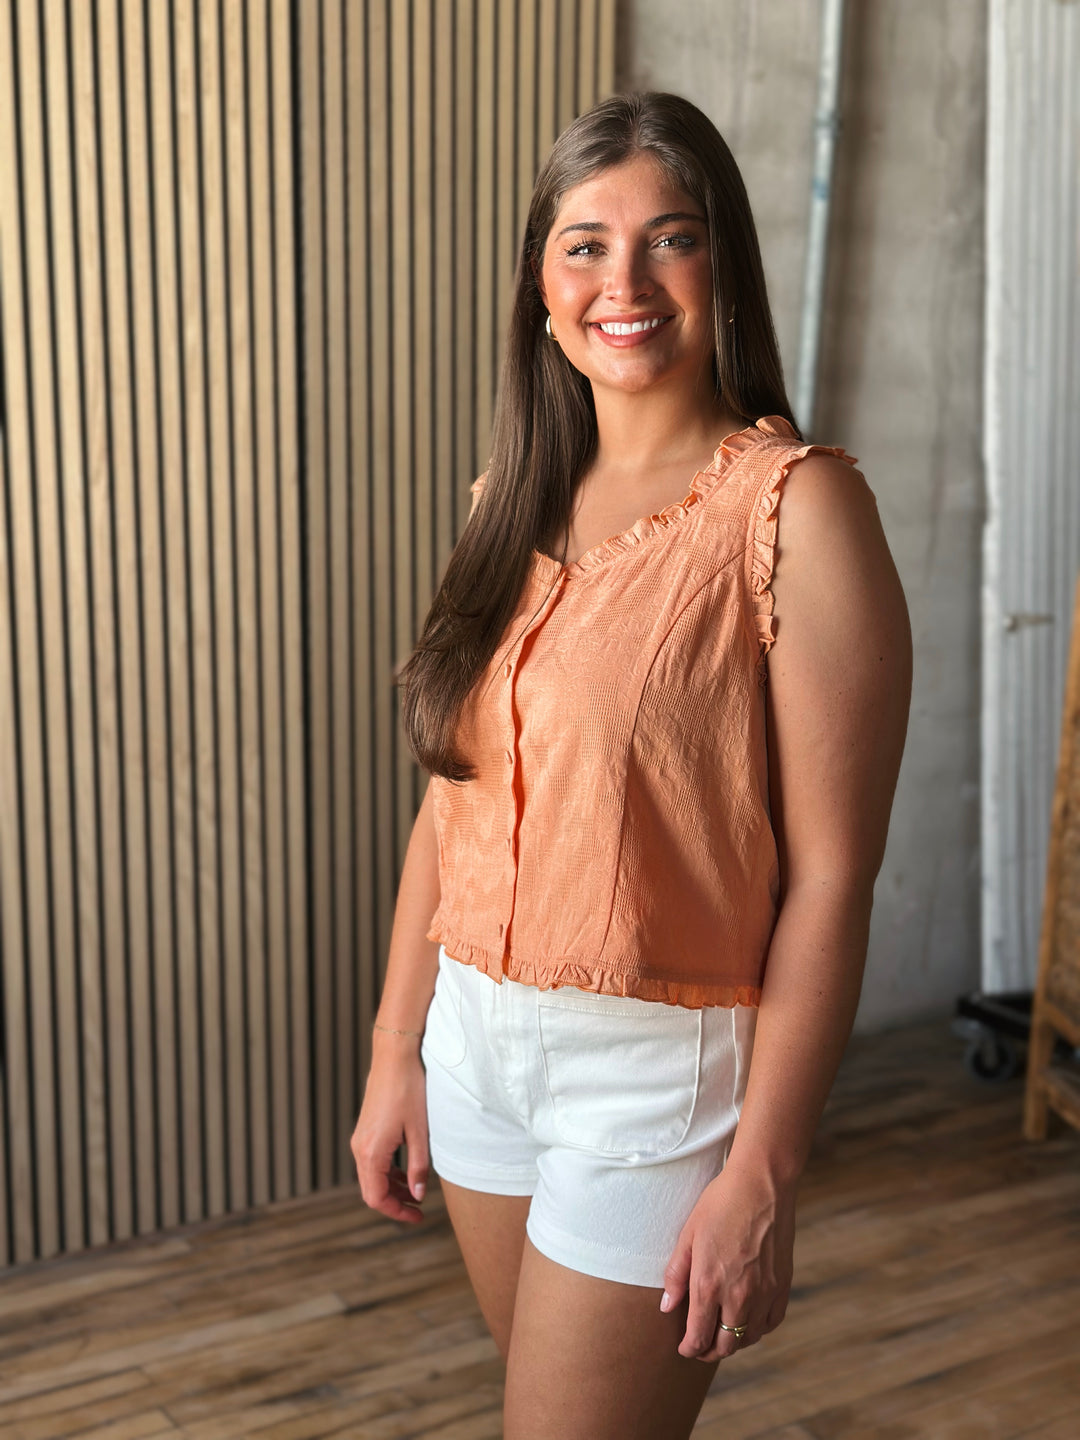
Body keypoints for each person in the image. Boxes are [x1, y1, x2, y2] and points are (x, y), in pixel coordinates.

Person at [351, 91, 911, 1439]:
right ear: (541, 284)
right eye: (585, 245)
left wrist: (765, 1170)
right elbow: (454, 799)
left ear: (724, 263)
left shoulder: (797, 508)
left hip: (657, 1076)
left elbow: (833, 879)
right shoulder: (507, 501)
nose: (626, 281)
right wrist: (395, 1051)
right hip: (472, 1045)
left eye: (670, 238)